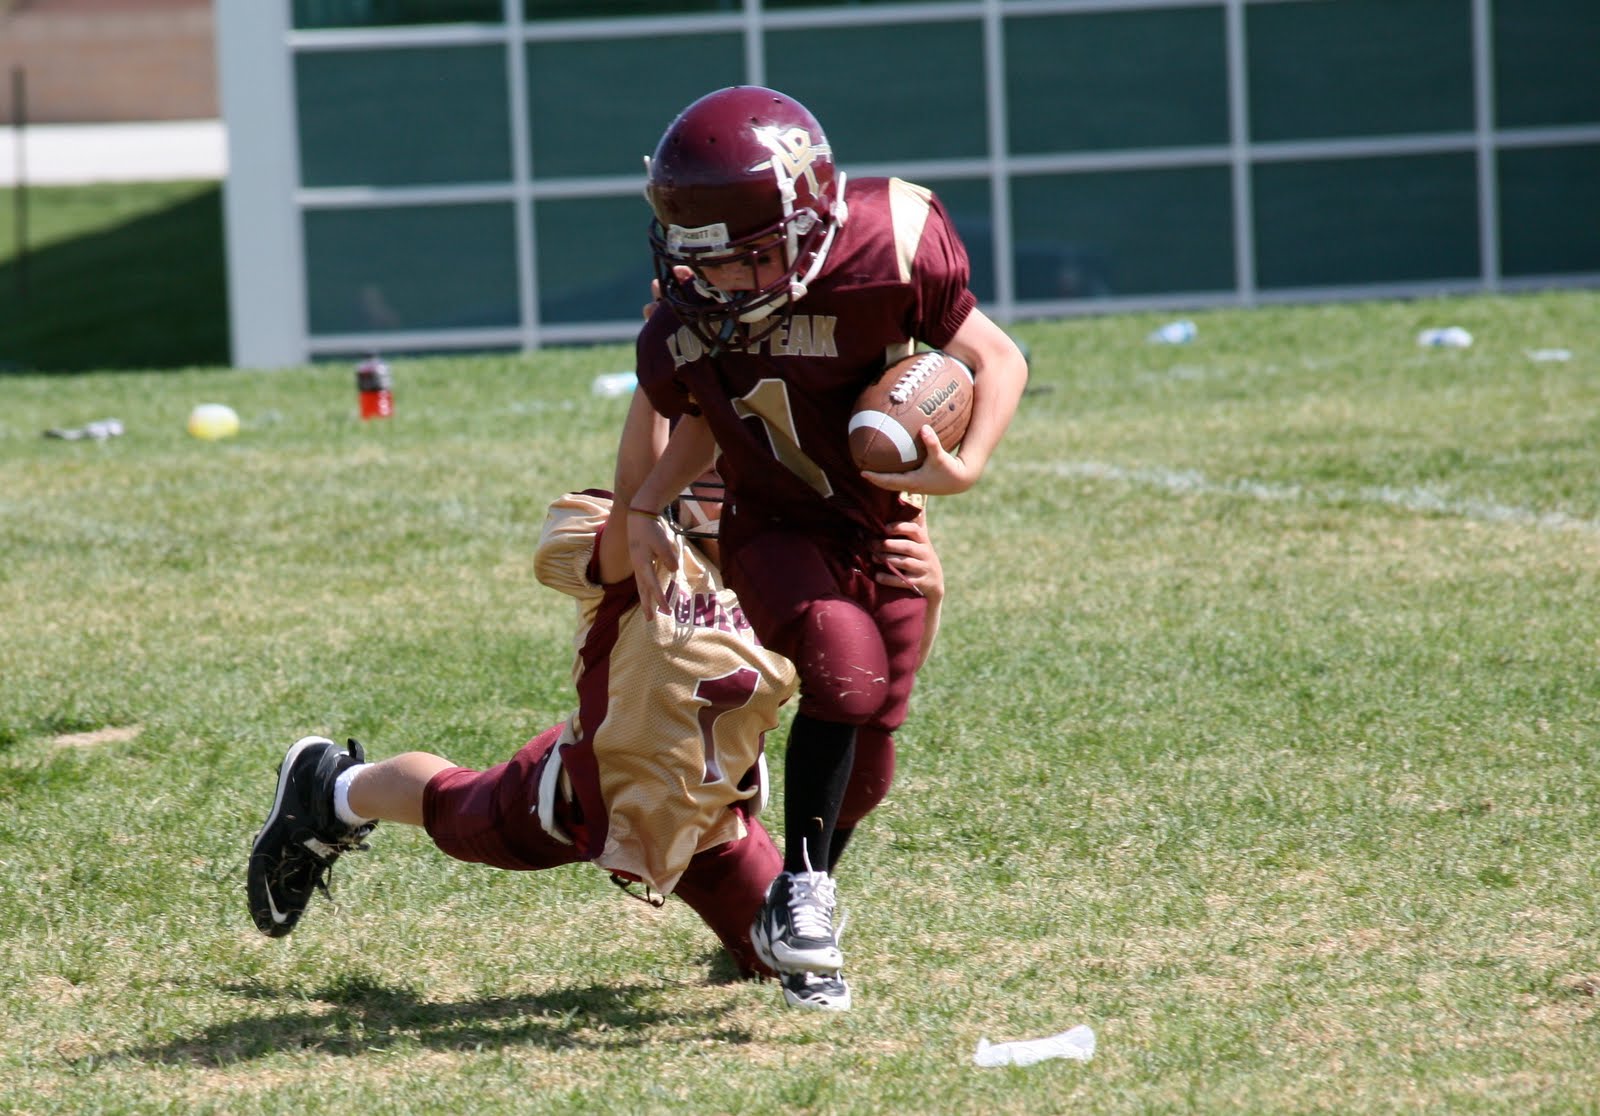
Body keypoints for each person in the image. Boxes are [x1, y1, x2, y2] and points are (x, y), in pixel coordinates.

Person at [246, 389, 945, 1011]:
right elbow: (635, 497)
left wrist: (926, 595)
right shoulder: (638, 542)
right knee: (457, 812)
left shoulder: (799, 579)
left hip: (710, 817)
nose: (728, 487)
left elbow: (871, 695)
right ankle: (334, 788)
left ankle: (759, 916)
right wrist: (660, 377)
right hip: (585, 796)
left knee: (772, 963)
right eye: (713, 461)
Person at [626, 86, 1028, 990]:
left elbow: (998, 358)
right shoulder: (692, 315)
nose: (716, 282)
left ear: (807, 225)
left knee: (871, 760)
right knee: (842, 662)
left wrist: (962, 470)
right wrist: (644, 504)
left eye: (743, 259)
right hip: (772, 521)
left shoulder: (890, 249)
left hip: (880, 525)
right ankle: (805, 895)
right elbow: (699, 407)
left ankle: (787, 908)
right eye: (704, 262)